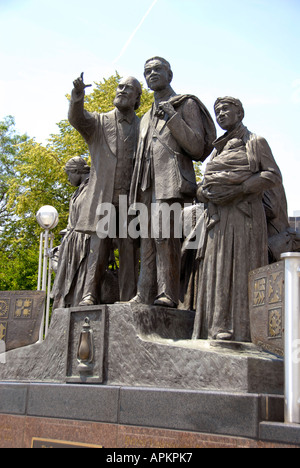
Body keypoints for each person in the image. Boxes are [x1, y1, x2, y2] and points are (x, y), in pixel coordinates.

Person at [192, 97, 282, 342]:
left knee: (239, 269)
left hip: (244, 216)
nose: (220, 114)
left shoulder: (255, 142)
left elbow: (272, 175)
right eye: (217, 111)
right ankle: (214, 325)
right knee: (216, 269)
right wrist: (204, 192)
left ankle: (239, 330)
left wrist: (240, 188)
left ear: (239, 113)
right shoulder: (217, 149)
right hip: (217, 217)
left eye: (226, 109)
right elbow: (205, 184)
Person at [130, 57, 216, 308]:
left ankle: (168, 294)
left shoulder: (185, 103)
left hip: (171, 179)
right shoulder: (144, 117)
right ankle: (144, 293)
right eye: (147, 71)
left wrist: (172, 118)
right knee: (145, 238)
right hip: (146, 184)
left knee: (164, 236)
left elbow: (198, 147)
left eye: (158, 69)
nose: (152, 74)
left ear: (170, 74)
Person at [68, 73, 141, 305]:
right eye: (119, 87)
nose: (121, 91)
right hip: (103, 197)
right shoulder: (99, 122)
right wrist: (78, 96)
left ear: (137, 99)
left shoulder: (143, 127)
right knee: (97, 248)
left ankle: (128, 297)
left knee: (129, 251)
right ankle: (90, 293)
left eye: (128, 89)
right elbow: (77, 119)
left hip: (131, 200)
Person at [52, 157, 90, 309]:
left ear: (76, 171)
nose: (68, 179)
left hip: (84, 242)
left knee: (79, 283)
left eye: (69, 174)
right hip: (72, 243)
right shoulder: (78, 192)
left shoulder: (91, 188)